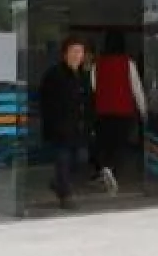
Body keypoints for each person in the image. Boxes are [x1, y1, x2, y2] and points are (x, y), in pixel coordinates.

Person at [37, 38, 115, 209]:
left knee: (81, 158)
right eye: (73, 51)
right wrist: (53, 124)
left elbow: (90, 102)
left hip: (80, 128)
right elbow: (46, 103)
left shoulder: (84, 76)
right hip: (60, 128)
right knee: (63, 159)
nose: (77, 55)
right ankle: (66, 195)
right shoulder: (54, 75)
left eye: (80, 52)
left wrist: (91, 123)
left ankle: (58, 182)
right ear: (65, 54)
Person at [92, 34, 147, 192]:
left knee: (106, 142)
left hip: (102, 110)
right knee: (120, 144)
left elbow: (94, 87)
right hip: (123, 110)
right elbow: (136, 88)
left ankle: (106, 169)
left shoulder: (97, 64)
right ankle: (110, 170)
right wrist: (143, 109)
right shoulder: (128, 63)